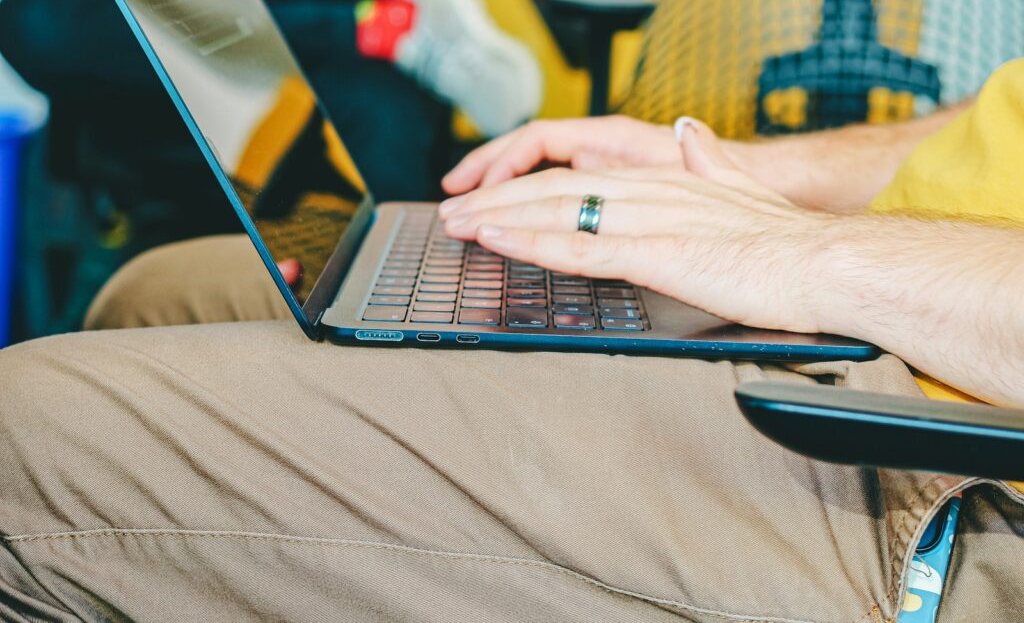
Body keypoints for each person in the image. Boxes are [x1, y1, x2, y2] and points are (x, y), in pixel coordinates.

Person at [3, 44, 1024, 620]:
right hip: (902, 313)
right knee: (161, 290)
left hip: (952, 472)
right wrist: (760, 178)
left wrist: (807, 256)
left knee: (24, 440)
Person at [0, 0, 541, 201]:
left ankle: (381, 24)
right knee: (32, 18)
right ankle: (377, 25)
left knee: (382, 111)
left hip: (300, 45)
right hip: (143, 20)